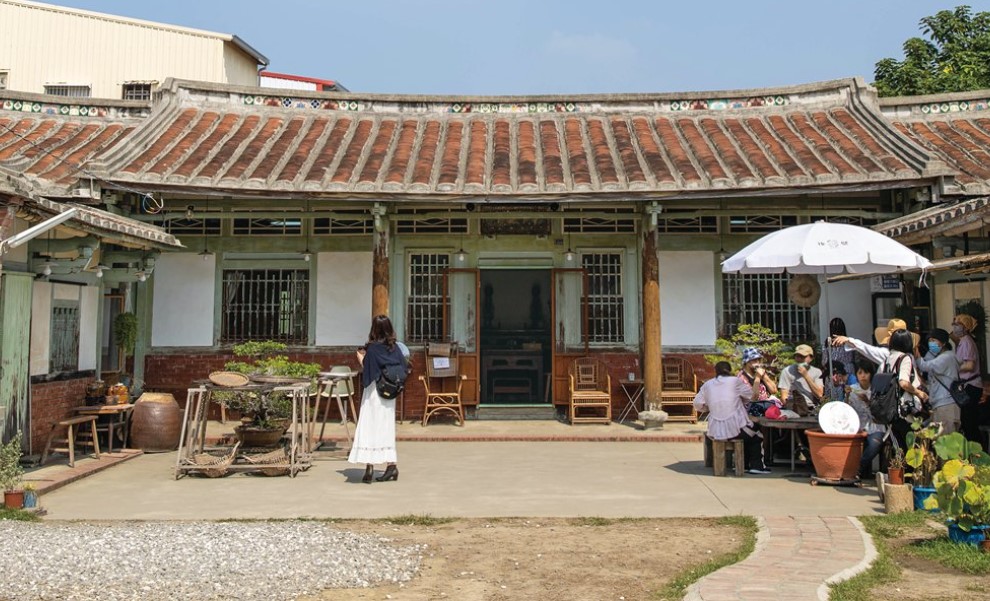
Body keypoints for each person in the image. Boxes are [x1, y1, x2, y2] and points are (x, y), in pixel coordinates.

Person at [349, 314, 406, 483]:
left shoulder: (373, 349)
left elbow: (368, 371)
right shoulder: (394, 348)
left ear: (374, 329)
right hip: (389, 394)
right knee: (386, 428)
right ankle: (391, 466)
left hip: (375, 393)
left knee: (369, 426)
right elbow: (403, 367)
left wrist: (361, 358)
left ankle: (370, 466)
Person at [693, 361, 770, 474]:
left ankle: (745, 465)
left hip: (715, 432)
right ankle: (756, 466)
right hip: (736, 431)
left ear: (716, 371)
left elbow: (697, 404)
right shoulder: (735, 381)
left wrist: (711, 407)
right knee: (756, 434)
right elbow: (751, 396)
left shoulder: (708, 384)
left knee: (747, 430)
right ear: (729, 371)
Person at [916, 328, 961, 435]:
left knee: (947, 444)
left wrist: (916, 352)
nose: (931, 343)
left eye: (934, 340)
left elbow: (924, 366)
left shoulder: (947, 357)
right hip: (940, 406)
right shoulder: (941, 357)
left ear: (944, 342)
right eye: (929, 341)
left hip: (946, 406)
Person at [845, 360, 884, 479]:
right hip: (857, 425)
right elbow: (846, 409)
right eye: (860, 372)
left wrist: (868, 401)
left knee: (874, 444)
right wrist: (846, 396)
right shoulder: (852, 389)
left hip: (875, 425)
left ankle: (858, 469)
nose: (863, 376)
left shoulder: (877, 390)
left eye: (866, 373)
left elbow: (880, 411)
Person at [951, 313, 984, 442]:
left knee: (969, 423)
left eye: (958, 325)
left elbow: (970, 365)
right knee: (967, 422)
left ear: (965, 327)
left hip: (971, 386)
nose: (955, 327)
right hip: (967, 385)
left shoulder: (967, 342)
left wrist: (953, 368)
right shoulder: (963, 341)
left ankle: (977, 454)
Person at [777, 344, 824, 414]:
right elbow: (784, 397)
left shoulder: (817, 372)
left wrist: (806, 376)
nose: (799, 359)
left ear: (811, 358)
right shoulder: (787, 371)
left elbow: (819, 394)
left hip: (812, 407)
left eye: (802, 357)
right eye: (797, 356)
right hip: (794, 407)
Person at [737, 347, 779, 413]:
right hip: (750, 412)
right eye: (754, 360)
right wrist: (758, 378)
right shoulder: (741, 378)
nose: (757, 362)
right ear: (747, 362)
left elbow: (774, 390)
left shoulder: (759, 373)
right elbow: (753, 398)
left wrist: (764, 376)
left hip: (765, 408)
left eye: (758, 359)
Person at [823, 318, 856, 395]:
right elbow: (855, 357)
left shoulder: (827, 343)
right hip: (848, 371)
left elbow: (824, 361)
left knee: (835, 397)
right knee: (849, 395)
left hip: (833, 372)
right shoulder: (849, 342)